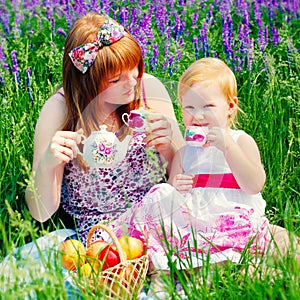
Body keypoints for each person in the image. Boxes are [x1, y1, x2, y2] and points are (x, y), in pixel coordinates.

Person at [110, 57, 299, 297]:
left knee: (287, 248)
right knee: (160, 196)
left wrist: (227, 146)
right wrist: (177, 185)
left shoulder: (241, 141)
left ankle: (239, 266)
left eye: (207, 107)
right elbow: (172, 197)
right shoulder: (185, 153)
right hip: (200, 227)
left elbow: (254, 184)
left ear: (230, 107)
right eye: (189, 108)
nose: (197, 115)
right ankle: (186, 269)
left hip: (235, 219)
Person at [25, 13, 185, 247]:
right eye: (115, 80)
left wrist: (168, 150)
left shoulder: (148, 89)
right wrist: (48, 164)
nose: (132, 82)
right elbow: (41, 212)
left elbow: (186, 177)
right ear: (87, 82)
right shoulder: (59, 111)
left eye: (135, 68)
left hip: (159, 214)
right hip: (103, 233)